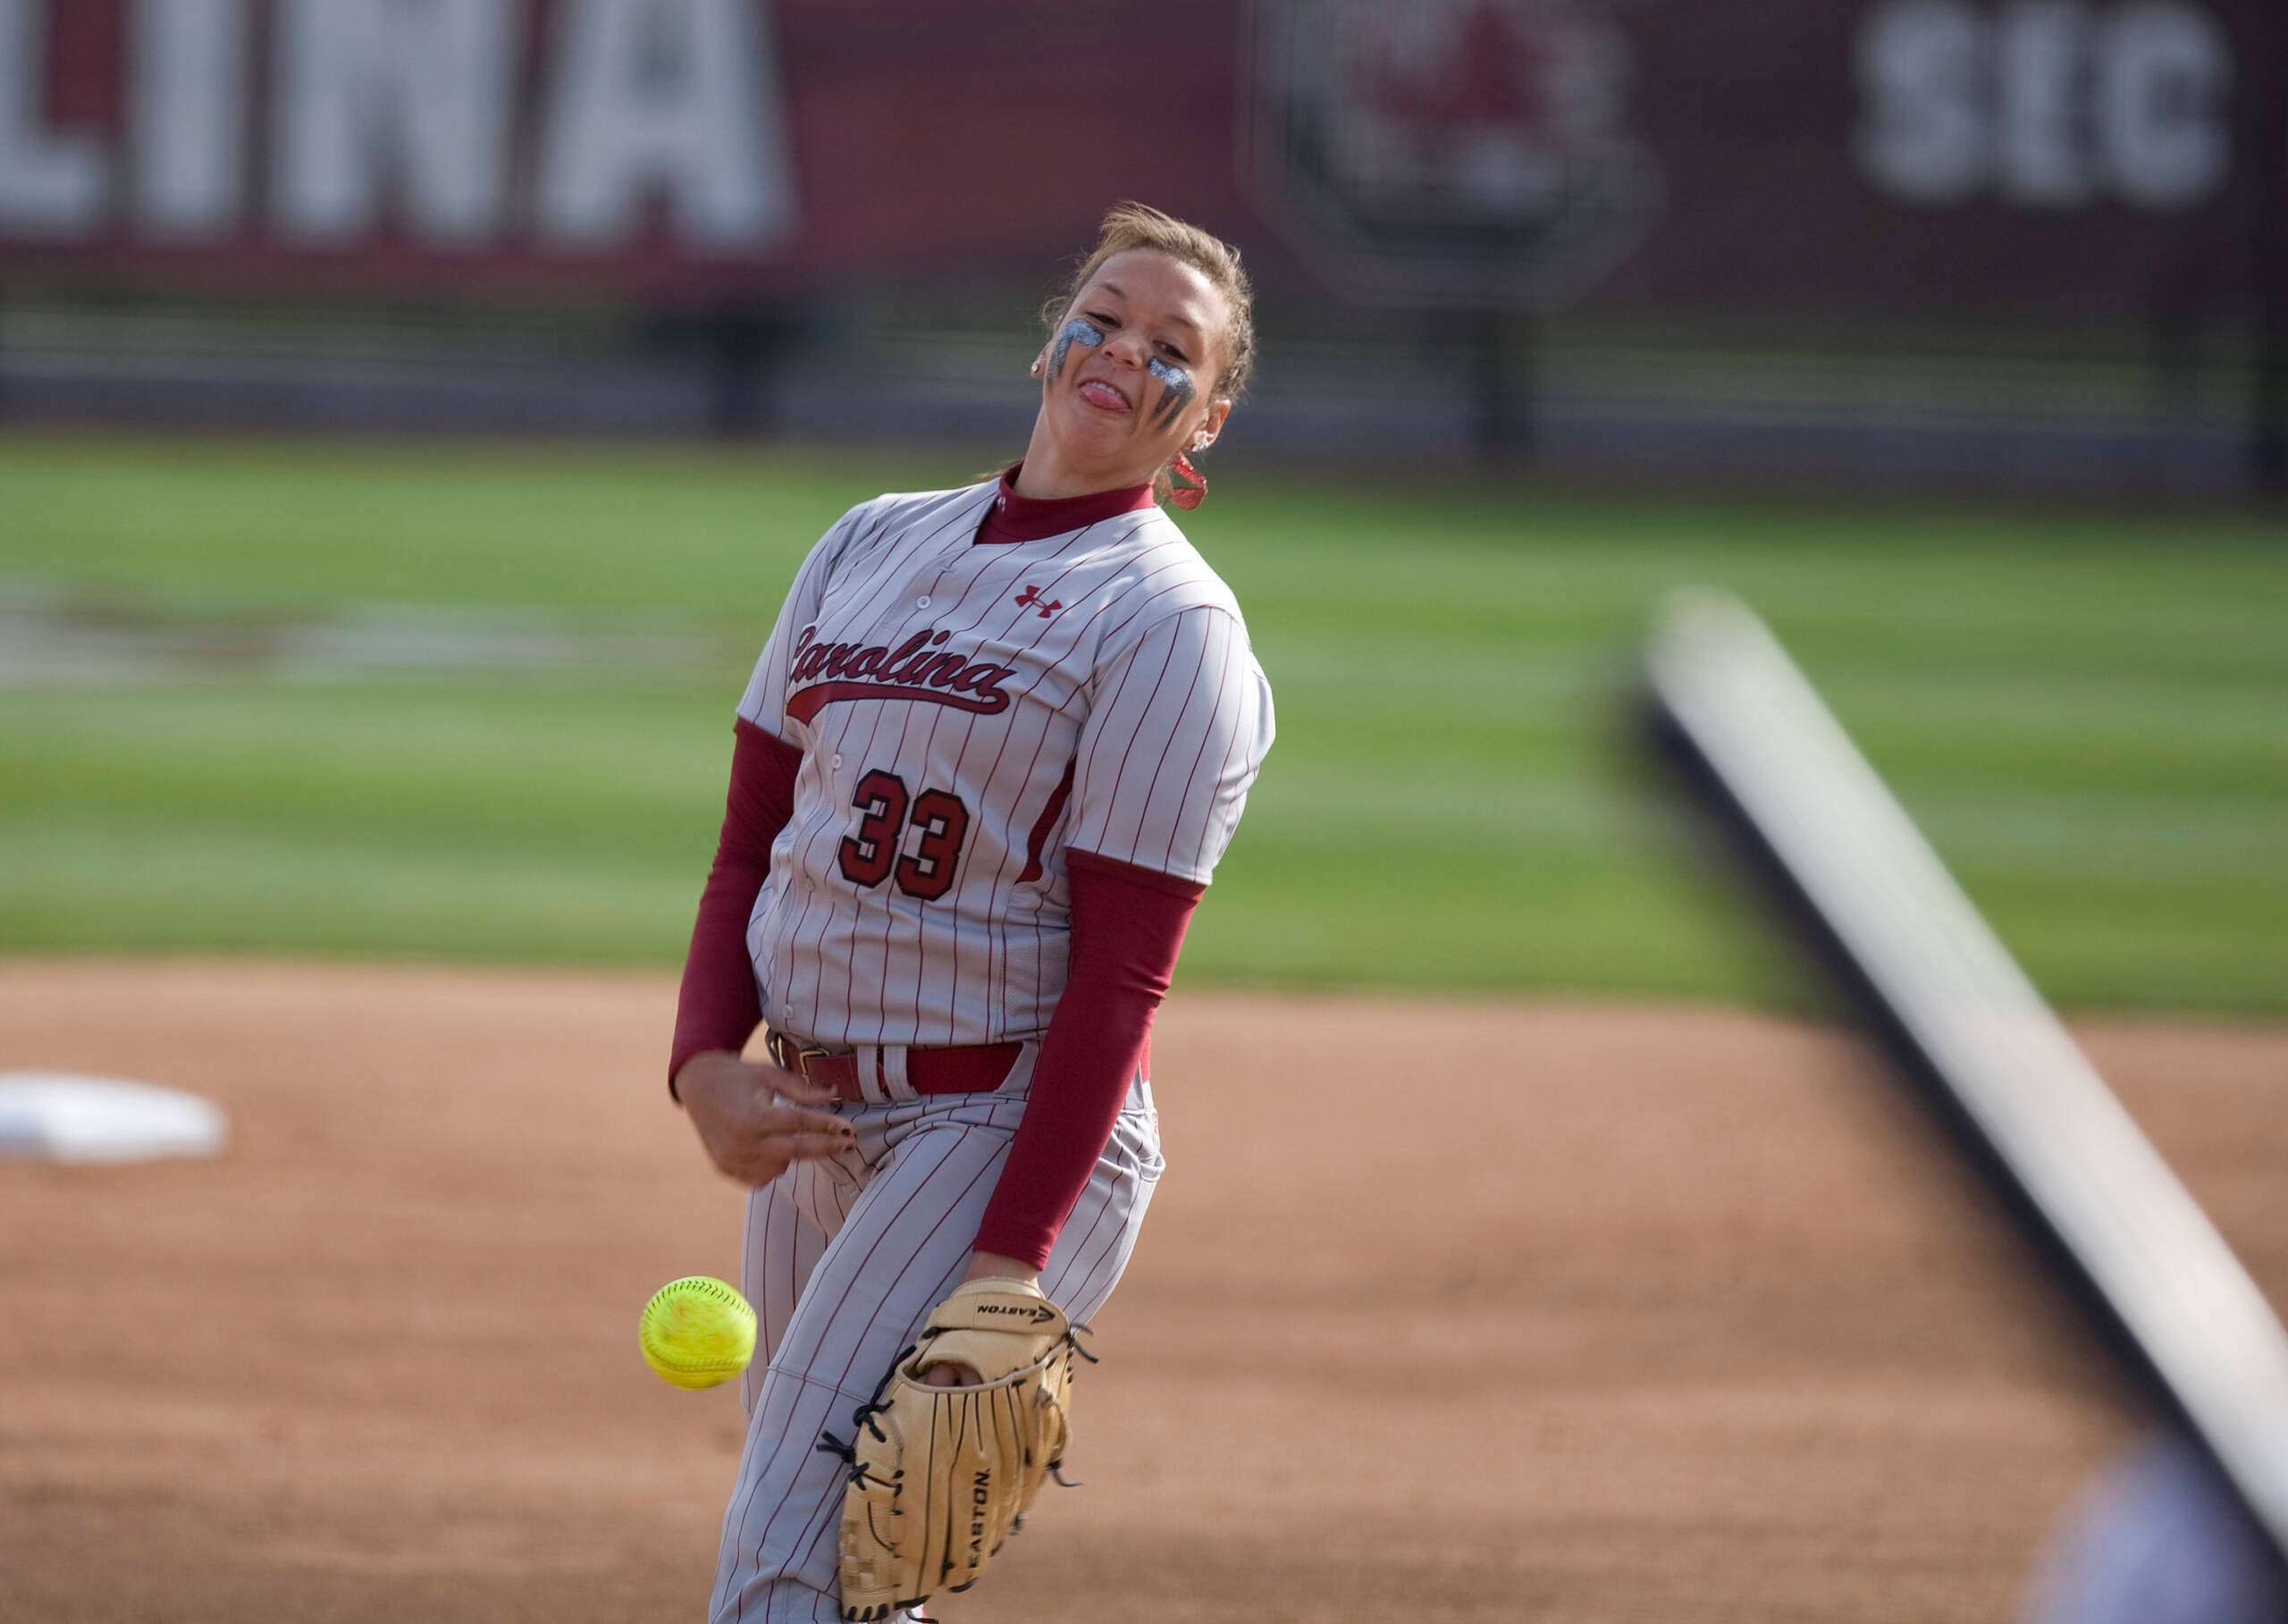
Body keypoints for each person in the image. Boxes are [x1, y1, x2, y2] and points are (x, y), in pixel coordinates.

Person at [668, 202, 1274, 1624]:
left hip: (991, 1122)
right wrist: (704, 1060)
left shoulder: (1168, 627)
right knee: (861, 1576)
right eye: (1105, 317)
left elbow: (1123, 983)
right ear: (1053, 340)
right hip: (814, 1120)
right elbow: (753, 837)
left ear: (1210, 422)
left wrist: (1009, 1273)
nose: (1124, 352)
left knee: (780, 1562)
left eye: (1172, 349)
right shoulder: (867, 541)